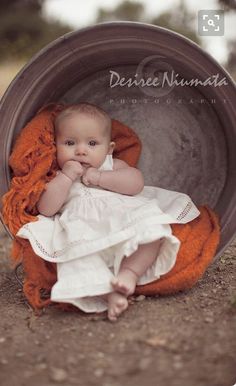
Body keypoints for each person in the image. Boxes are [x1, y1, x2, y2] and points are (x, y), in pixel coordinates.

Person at [17, 103, 200, 321]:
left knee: (152, 231)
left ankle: (129, 273)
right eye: (69, 143)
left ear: (109, 149)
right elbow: (46, 209)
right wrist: (66, 178)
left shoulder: (112, 165)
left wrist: (101, 178)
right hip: (82, 230)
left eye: (92, 143)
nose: (81, 150)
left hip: (123, 220)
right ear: (55, 146)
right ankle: (109, 293)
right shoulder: (57, 176)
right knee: (77, 259)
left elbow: (136, 184)